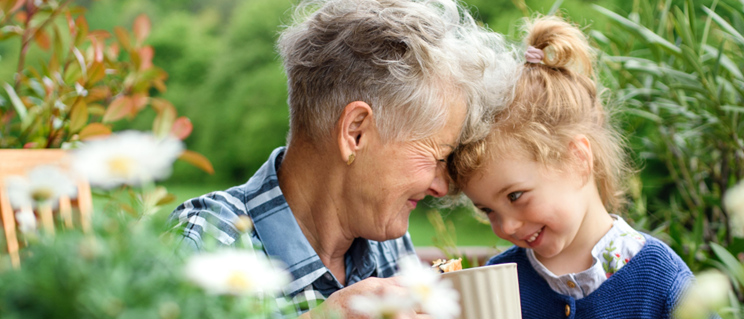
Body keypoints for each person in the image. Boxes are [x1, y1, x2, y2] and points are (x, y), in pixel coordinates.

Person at [169, 0, 518, 317]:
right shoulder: (205, 243)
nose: (442, 187)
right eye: (437, 157)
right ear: (355, 133)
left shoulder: (387, 244)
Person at [446, 16, 696, 318]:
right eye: (488, 210)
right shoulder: (499, 283)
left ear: (578, 159)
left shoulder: (661, 279)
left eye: (515, 196)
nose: (506, 227)